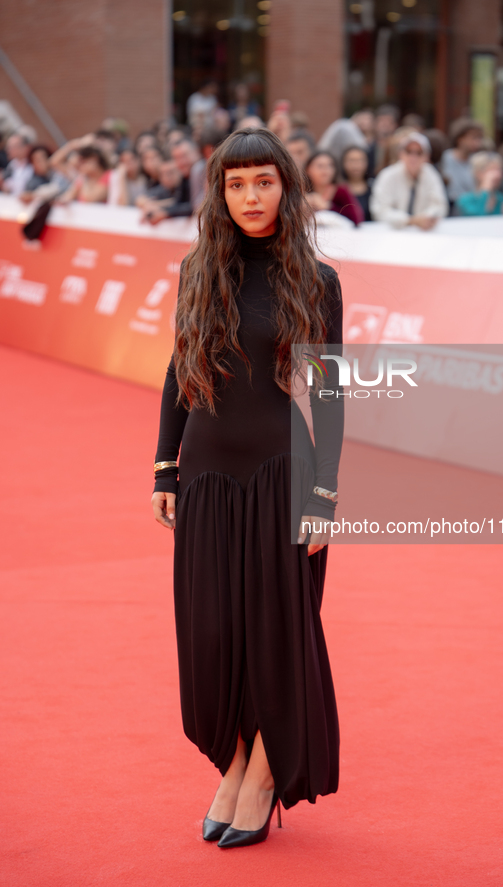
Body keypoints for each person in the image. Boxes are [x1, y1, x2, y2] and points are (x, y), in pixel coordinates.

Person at [150, 126, 344, 847]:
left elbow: (328, 399)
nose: (250, 197)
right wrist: (164, 466)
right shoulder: (197, 267)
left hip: (278, 477)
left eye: (263, 181)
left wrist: (324, 495)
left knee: (277, 633)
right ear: (219, 192)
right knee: (212, 632)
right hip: (203, 476)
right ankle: (231, 761)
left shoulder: (315, 279)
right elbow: (179, 371)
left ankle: (260, 775)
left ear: (285, 187)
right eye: (235, 184)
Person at [370, 131, 448, 230]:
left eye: (419, 153)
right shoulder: (388, 176)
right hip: (392, 236)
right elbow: (379, 210)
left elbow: (440, 206)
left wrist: (426, 218)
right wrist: (410, 220)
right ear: (401, 153)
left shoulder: (431, 175)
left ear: (426, 156)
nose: (413, 157)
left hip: (424, 235)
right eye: (409, 151)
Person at [304, 150, 365, 225]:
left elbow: (356, 218)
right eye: (320, 166)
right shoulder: (302, 192)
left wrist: (329, 207)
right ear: (308, 169)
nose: (325, 170)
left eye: (330, 166)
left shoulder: (341, 191)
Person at [441, 118, 484, 212]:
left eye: (479, 138)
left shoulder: (478, 161)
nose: (477, 143)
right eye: (473, 138)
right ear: (460, 139)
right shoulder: (445, 158)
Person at [457, 152, 503, 216]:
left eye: (499, 170)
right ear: (478, 173)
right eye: (492, 170)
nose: (498, 175)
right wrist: (486, 189)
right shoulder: (465, 201)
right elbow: (478, 218)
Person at [340, 145, 373, 221]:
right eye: (351, 160)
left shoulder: (375, 187)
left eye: (360, 160)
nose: (356, 165)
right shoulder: (337, 189)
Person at [1, 132, 33, 197]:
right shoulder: (12, 164)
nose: (8, 150)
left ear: (24, 148)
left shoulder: (33, 164)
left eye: (11, 147)